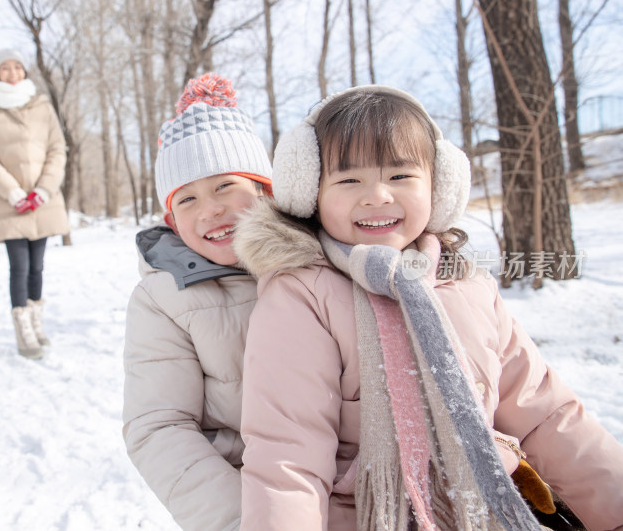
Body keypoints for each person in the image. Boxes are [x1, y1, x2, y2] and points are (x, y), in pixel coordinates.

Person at [234, 86, 623, 531]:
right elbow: (288, 457)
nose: (377, 195)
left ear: (440, 186)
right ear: (310, 194)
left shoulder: (468, 287)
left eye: (400, 176)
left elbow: (547, 416)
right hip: (369, 517)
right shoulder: (303, 296)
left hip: (490, 511)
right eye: (348, 180)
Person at [122, 73, 272, 530]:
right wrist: (244, 520)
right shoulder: (162, 299)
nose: (209, 209)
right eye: (187, 199)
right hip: (248, 492)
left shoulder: (315, 266)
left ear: (264, 188)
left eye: (225, 186)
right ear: (171, 220)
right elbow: (160, 428)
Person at [0, 48, 69, 360]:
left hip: (43, 200)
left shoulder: (42, 106)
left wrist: (43, 189)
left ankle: (36, 322)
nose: (12, 72)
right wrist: (13, 192)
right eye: (5, 68)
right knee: (20, 267)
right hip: (8, 202)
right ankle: (23, 330)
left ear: (24, 72)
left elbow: (57, 149)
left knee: (38, 267)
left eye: (17, 67)